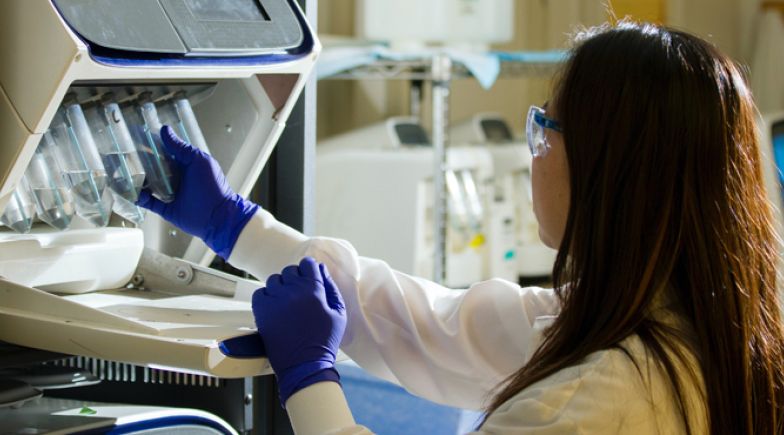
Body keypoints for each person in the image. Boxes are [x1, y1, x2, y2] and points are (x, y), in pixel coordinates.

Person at [138, 21, 784, 434]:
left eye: (544, 128)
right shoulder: (690, 329)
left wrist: (310, 379)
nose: (534, 150)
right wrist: (238, 225)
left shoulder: (596, 402)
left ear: (607, 170)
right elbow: (431, 322)